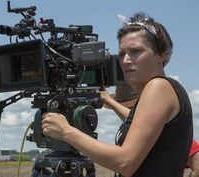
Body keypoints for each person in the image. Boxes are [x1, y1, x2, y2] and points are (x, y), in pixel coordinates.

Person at [42, 12, 193, 177]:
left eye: (136, 51)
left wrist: (66, 132)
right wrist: (110, 101)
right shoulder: (164, 91)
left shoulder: (158, 87)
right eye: (122, 54)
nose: (126, 60)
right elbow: (137, 122)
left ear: (162, 54)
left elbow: (125, 162)